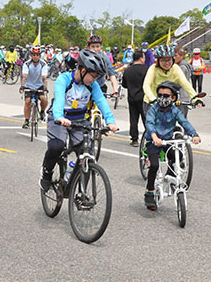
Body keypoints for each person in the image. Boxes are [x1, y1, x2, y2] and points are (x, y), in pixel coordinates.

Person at [39, 49, 118, 191]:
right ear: (82, 71)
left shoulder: (92, 85)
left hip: (80, 121)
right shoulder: (64, 79)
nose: (95, 80)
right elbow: (58, 100)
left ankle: (82, 193)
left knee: (87, 156)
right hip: (60, 118)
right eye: (93, 76)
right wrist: (59, 117)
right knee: (56, 146)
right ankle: (47, 172)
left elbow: (102, 102)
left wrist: (110, 121)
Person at [143, 81, 201, 210]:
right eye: (160, 95)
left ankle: (170, 175)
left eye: (166, 95)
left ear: (173, 98)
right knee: (154, 165)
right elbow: (149, 123)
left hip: (168, 141)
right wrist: (154, 137)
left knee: (178, 156)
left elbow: (184, 122)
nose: (163, 98)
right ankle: (150, 191)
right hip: (154, 141)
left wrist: (194, 134)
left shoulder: (175, 110)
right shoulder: (153, 109)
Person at [143, 45, 203, 116]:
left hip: (168, 102)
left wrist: (195, 98)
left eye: (169, 60)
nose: (167, 63)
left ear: (173, 59)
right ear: (158, 61)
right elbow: (146, 85)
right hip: (152, 102)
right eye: (163, 60)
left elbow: (185, 83)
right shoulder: (153, 69)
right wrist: (152, 99)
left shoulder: (175, 68)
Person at [122, 50, 148, 146]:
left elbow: (124, 84)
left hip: (131, 97)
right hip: (143, 97)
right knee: (146, 118)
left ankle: (134, 139)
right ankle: (149, 137)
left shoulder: (128, 70)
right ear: (141, 58)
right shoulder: (146, 69)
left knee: (133, 118)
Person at [20, 46, 49, 128]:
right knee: (27, 101)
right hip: (28, 85)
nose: (35, 56)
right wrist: (22, 86)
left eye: (37, 55)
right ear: (31, 55)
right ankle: (26, 121)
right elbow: (24, 76)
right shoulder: (27, 64)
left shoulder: (43, 64)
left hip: (39, 85)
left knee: (44, 99)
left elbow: (44, 78)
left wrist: (45, 88)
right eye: (34, 55)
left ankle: (42, 111)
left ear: (40, 56)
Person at [173, 46, 193, 117]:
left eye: (175, 55)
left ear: (182, 56)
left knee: (181, 120)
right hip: (182, 96)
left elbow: (178, 82)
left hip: (181, 97)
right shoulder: (181, 65)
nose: (174, 58)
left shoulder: (182, 67)